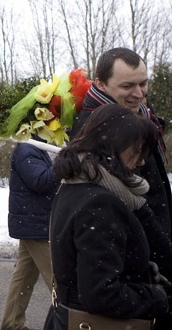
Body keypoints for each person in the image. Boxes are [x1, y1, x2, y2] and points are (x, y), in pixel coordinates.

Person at [70, 48, 172, 328]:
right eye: (127, 86)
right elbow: (120, 205)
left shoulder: (137, 115)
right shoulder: (94, 129)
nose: (139, 93)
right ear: (100, 84)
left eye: (143, 83)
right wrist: (158, 284)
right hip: (140, 261)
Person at [45, 104, 168, 328]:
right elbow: (101, 293)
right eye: (138, 150)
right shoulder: (99, 203)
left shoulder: (74, 184)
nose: (141, 161)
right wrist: (156, 297)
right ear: (116, 145)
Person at [0, 140, 59, 330]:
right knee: (59, 279)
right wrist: (64, 162)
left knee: (24, 277)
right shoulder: (27, 149)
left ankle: (12, 323)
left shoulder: (35, 149)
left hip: (34, 221)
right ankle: (70, 321)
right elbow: (41, 181)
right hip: (34, 223)